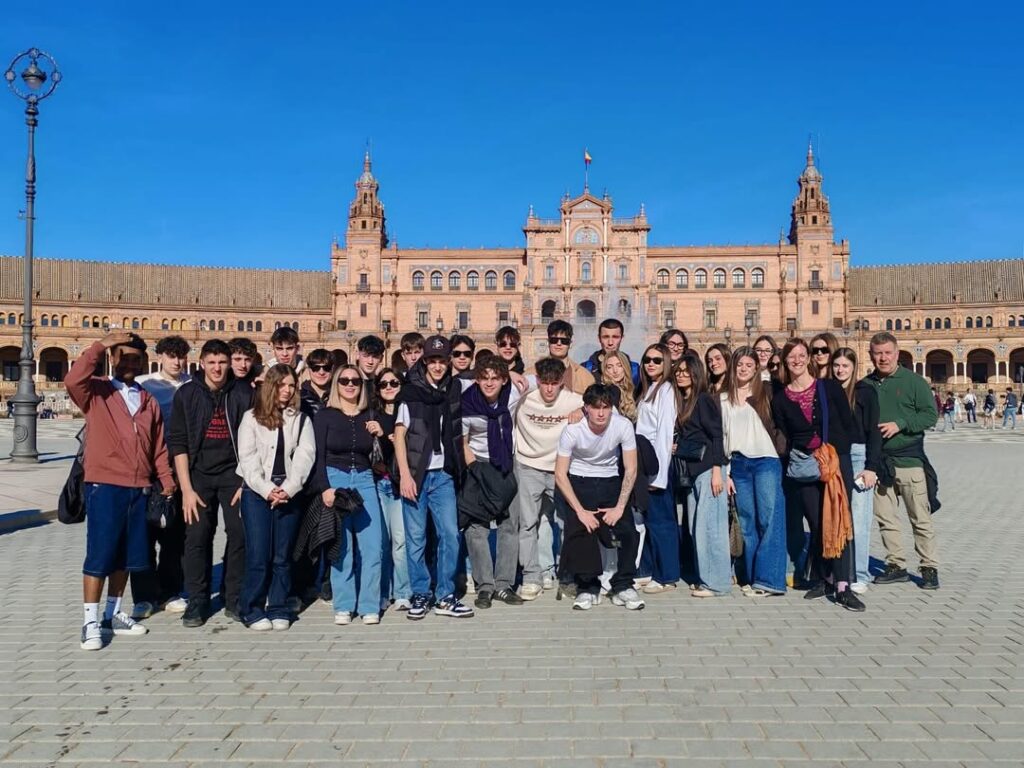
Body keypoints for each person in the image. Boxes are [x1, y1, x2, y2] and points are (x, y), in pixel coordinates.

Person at [65, 331, 176, 650]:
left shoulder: (147, 399)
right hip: (105, 486)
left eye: (135, 359)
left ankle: (112, 614)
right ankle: (89, 621)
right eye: (123, 357)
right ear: (112, 359)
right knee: (100, 553)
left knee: (127, 555)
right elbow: (72, 380)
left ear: (143, 362)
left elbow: (158, 446)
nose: (129, 363)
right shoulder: (96, 391)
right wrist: (102, 344)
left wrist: (166, 479)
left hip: (139, 487)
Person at [772, 338, 862, 611]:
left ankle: (843, 586)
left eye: (802, 355)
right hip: (805, 466)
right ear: (785, 362)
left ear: (809, 358)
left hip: (834, 463)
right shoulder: (781, 398)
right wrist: (808, 450)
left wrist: (831, 455)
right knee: (817, 522)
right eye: (791, 356)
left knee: (838, 520)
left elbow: (847, 424)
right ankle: (826, 578)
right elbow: (786, 433)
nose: (797, 360)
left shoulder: (829, 387)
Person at [168, 339, 253, 628]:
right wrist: (186, 489)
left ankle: (233, 597)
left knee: (240, 533)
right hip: (198, 475)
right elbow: (178, 442)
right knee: (197, 536)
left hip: (234, 475)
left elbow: (254, 440)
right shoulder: (187, 394)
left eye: (222, 362)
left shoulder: (243, 393)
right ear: (201, 363)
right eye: (212, 362)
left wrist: (246, 481)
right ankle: (198, 599)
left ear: (229, 364)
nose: (217, 368)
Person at [394, 335, 474, 619]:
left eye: (442, 361)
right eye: (433, 361)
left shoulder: (453, 389)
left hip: (443, 475)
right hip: (416, 475)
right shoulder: (410, 393)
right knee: (416, 538)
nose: (438, 366)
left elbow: (489, 382)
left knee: (450, 534)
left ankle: (445, 595)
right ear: (425, 361)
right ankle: (420, 593)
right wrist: (405, 476)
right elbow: (399, 436)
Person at [236, 364, 315, 631]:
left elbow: (305, 456)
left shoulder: (301, 419)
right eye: (282, 384)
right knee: (259, 554)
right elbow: (247, 459)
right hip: (257, 491)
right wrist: (266, 488)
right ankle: (251, 607)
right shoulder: (251, 418)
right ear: (271, 386)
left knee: (282, 555)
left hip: (288, 490)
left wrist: (289, 488)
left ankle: (279, 605)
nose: (287, 390)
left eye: (291, 385)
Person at [863, 332, 940, 590]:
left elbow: (930, 415)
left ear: (897, 354)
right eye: (878, 353)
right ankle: (896, 564)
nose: (883, 358)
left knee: (920, 517)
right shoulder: (866, 384)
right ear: (870, 355)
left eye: (888, 353)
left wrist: (901, 424)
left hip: (909, 461)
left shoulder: (914, 382)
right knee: (886, 518)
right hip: (879, 463)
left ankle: (929, 567)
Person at [554, 384, 642, 611]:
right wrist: (581, 512)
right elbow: (560, 474)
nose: (601, 413)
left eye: (606, 407)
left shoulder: (622, 426)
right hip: (579, 480)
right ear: (586, 408)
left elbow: (631, 468)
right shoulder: (573, 430)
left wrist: (619, 507)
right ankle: (587, 587)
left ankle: (623, 585)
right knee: (582, 531)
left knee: (628, 532)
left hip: (610, 480)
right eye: (595, 408)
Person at [315, 364, 386, 625]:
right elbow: (318, 456)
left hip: (365, 480)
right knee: (342, 546)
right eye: (344, 380)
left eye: (355, 381)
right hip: (336, 479)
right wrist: (325, 488)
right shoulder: (325, 416)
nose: (350, 385)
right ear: (336, 384)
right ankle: (344, 604)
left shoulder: (370, 414)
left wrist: (381, 435)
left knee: (372, 545)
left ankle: (369, 604)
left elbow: (382, 455)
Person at [131, 335, 191, 619]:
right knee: (143, 535)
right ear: (160, 357)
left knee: (174, 536)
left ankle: (170, 591)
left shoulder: (192, 385)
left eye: (181, 356)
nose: (177, 362)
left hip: (180, 467)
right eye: (171, 356)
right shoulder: (144, 384)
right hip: (147, 469)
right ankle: (143, 596)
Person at [513, 358, 584, 599]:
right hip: (528, 466)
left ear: (562, 382)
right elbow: (488, 382)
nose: (550, 389)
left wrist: (583, 410)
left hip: (559, 470)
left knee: (565, 522)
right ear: (537, 380)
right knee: (528, 523)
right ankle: (531, 576)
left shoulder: (573, 400)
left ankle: (567, 575)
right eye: (545, 383)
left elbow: (605, 406)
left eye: (555, 383)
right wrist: (510, 373)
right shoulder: (524, 396)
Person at [720, 347, 787, 597]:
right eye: (740, 364)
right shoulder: (723, 399)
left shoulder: (766, 392)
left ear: (757, 368)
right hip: (739, 463)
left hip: (766, 461)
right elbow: (722, 437)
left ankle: (769, 581)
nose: (744, 369)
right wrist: (726, 472)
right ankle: (751, 576)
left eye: (749, 365)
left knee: (769, 519)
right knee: (747, 522)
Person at [461, 356, 525, 609]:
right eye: (484, 378)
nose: (489, 383)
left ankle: (503, 585)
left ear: (504, 380)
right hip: (477, 464)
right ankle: (484, 586)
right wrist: (475, 470)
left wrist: (515, 372)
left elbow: (542, 378)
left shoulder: (513, 393)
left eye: (495, 378)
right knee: (476, 527)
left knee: (509, 524)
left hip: (506, 462)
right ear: (477, 380)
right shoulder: (467, 403)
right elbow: (462, 442)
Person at [678, 355, 730, 598]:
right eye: (678, 371)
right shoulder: (685, 401)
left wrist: (718, 470)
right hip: (694, 472)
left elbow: (717, 434)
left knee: (711, 528)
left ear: (696, 374)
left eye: (686, 371)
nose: (681, 375)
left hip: (709, 469)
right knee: (697, 527)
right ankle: (705, 577)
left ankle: (717, 584)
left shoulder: (703, 400)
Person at [831, 347, 881, 593]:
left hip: (859, 456)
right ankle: (840, 572)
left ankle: (860, 574)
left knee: (859, 518)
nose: (840, 370)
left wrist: (872, 467)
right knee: (837, 516)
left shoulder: (865, 392)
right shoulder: (829, 392)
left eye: (845, 366)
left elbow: (874, 431)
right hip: (834, 456)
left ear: (854, 367)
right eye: (836, 365)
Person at [636, 343, 681, 595]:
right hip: (646, 463)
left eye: (656, 360)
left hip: (657, 465)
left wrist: (660, 475)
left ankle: (667, 575)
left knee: (662, 521)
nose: (650, 364)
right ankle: (650, 570)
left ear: (666, 363)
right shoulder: (648, 389)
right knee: (650, 519)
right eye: (647, 360)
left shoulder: (666, 390)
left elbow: (664, 432)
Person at [370, 368, 411, 611]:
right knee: (382, 541)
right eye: (383, 384)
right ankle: (383, 591)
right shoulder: (372, 414)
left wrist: (386, 436)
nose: (388, 387)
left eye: (394, 383)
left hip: (399, 484)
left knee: (400, 541)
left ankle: (403, 591)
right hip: (378, 482)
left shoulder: (406, 414)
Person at [583, 318, 640, 386]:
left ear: (622, 338)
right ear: (599, 338)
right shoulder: (585, 369)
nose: (610, 342)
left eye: (615, 337)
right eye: (606, 337)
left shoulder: (635, 370)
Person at [546, 319, 594, 395]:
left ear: (570, 344)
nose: (559, 343)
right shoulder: (532, 373)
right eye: (554, 340)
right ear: (548, 342)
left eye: (564, 341)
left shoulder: (585, 376)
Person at [601, 352, 637, 423]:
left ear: (625, 367)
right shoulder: (608, 390)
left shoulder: (631, 390)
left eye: (619, 365)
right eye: (610, 367)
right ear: (605, 370)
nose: (615, 371)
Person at [299, 348, 334, 417]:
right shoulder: (298, 398)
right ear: (309, 369)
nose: (321, 372)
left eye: (326, 368)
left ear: (332, 369)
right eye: (316, 368)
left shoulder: (341, 396)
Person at [356, 335, 386, 403]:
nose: (370, 361)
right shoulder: (347, 384)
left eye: (375, 357)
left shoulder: (383, 386)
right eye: (366, 356)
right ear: (357, 355)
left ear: (381, 358)